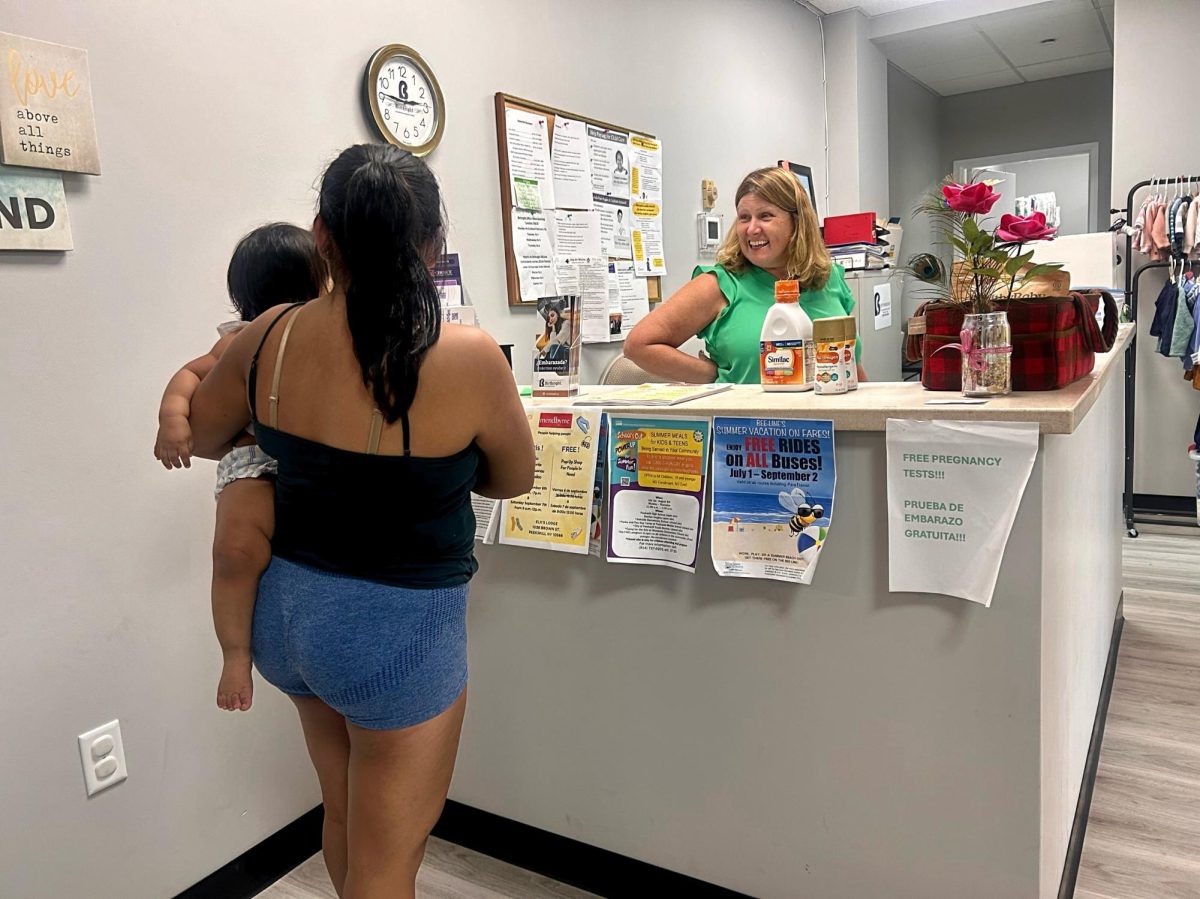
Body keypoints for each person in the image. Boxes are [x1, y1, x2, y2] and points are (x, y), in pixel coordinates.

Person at [188, 144, 535, 898]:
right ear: (434, 245)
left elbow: (207, 432)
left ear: (322, 236)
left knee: (343, 814)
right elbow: (515, 477)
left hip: (287, 623)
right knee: (389, 859)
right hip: (396, 635)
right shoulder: (470, 357)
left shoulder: (269, 336)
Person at [154, 222, 326, 712]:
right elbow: (189, 374)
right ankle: (234, 655)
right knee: (233, 554)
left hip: (312, 469)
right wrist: (172, 420)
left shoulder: (330, 336)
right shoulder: (239, 341)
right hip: (252, 465)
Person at [624, 166, 866, 384]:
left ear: (797, 223)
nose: (752, 229)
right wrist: (711, 375)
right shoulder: (721, 285)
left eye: (765, 216)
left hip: (831, 427)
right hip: (747, 430)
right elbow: (639, 345)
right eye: (744, 217)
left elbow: (851, 365)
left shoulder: (828, 277)